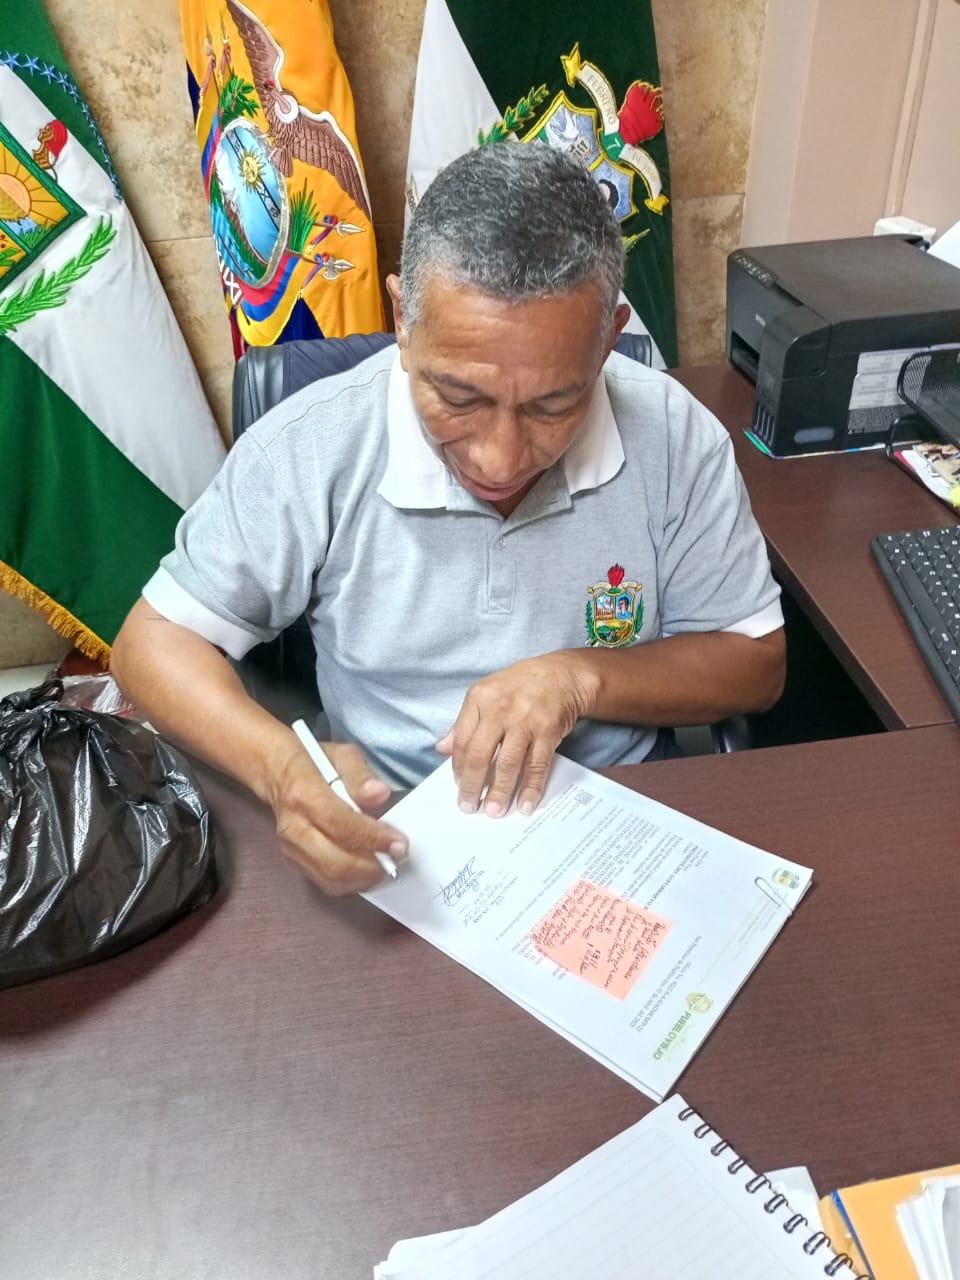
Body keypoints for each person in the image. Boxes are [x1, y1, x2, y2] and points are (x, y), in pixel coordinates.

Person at [111, 142, 785, 897]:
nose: (500, 458)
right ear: (403, 320)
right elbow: (151, 643)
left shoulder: (674, 435)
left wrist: (582, 677)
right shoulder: (311, 446)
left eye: (553, 405)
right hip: (396, 833)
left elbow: (756, 662)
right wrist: (283, 769)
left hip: (623, 828)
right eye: (459, 398)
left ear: (608, 342)